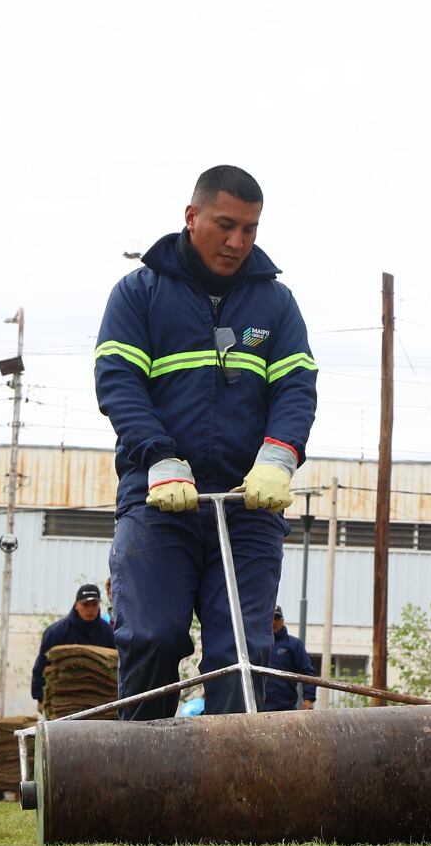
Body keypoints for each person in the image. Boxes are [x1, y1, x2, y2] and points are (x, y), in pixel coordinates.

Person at [96, 165, 318, 720]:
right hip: (160, 500)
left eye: (250, 229)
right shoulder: (138, 296)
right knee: (152, 637)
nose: (238, 242)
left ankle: (233, 799)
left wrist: (279, 457)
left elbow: (296, 387)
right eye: (226, 225)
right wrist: (160, 456)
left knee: (241, 654)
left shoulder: (277, 306)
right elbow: (119, 384)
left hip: (248, 505)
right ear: (191, 216)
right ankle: (141, 791)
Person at [31, 583, 116, 705]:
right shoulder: (56, 632)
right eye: (85, 605)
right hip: (62, 700)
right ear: (76, 605)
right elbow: (42, 664)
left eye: (94, 604)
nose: (90, 609)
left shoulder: (108, 633)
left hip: (99, 700)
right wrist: (39, 695)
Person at [262, 605, 317, 712]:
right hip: (257, 710)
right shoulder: (257, 645)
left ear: (282, 621)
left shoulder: (294, 645)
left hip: (285, 710)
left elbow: (307, 672)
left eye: (276, 618)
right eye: (270, 618)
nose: (273, 622)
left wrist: (308, 699)